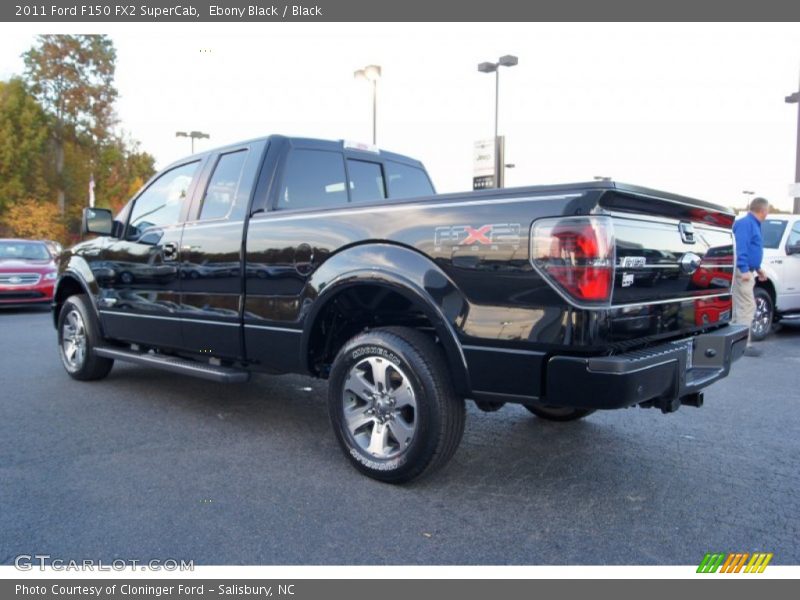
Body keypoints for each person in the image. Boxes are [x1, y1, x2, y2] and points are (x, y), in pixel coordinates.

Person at [732, 197, 769, 357]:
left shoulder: (753, 224)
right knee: (747, 306)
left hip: (748, 270)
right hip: (743, 272)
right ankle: (742, 346)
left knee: (741, 307)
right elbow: (740, 246)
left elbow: (752, 248)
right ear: (763, 210)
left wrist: (758, 268)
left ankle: (734, 343)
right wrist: (744, 268)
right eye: (767, 210)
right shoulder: (746, 223)